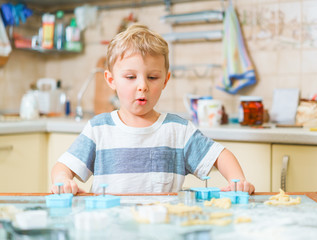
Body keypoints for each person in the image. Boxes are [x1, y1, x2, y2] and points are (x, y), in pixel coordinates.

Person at [51, 24, 255, 195]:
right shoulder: (98, 129)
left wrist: (238, 181)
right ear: (111, 80)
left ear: (165, 80)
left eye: (152, 77)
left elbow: (221, 156)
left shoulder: (179, 130)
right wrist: (63, 180)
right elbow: (62, 168)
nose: (143, 86)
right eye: (131, 77)